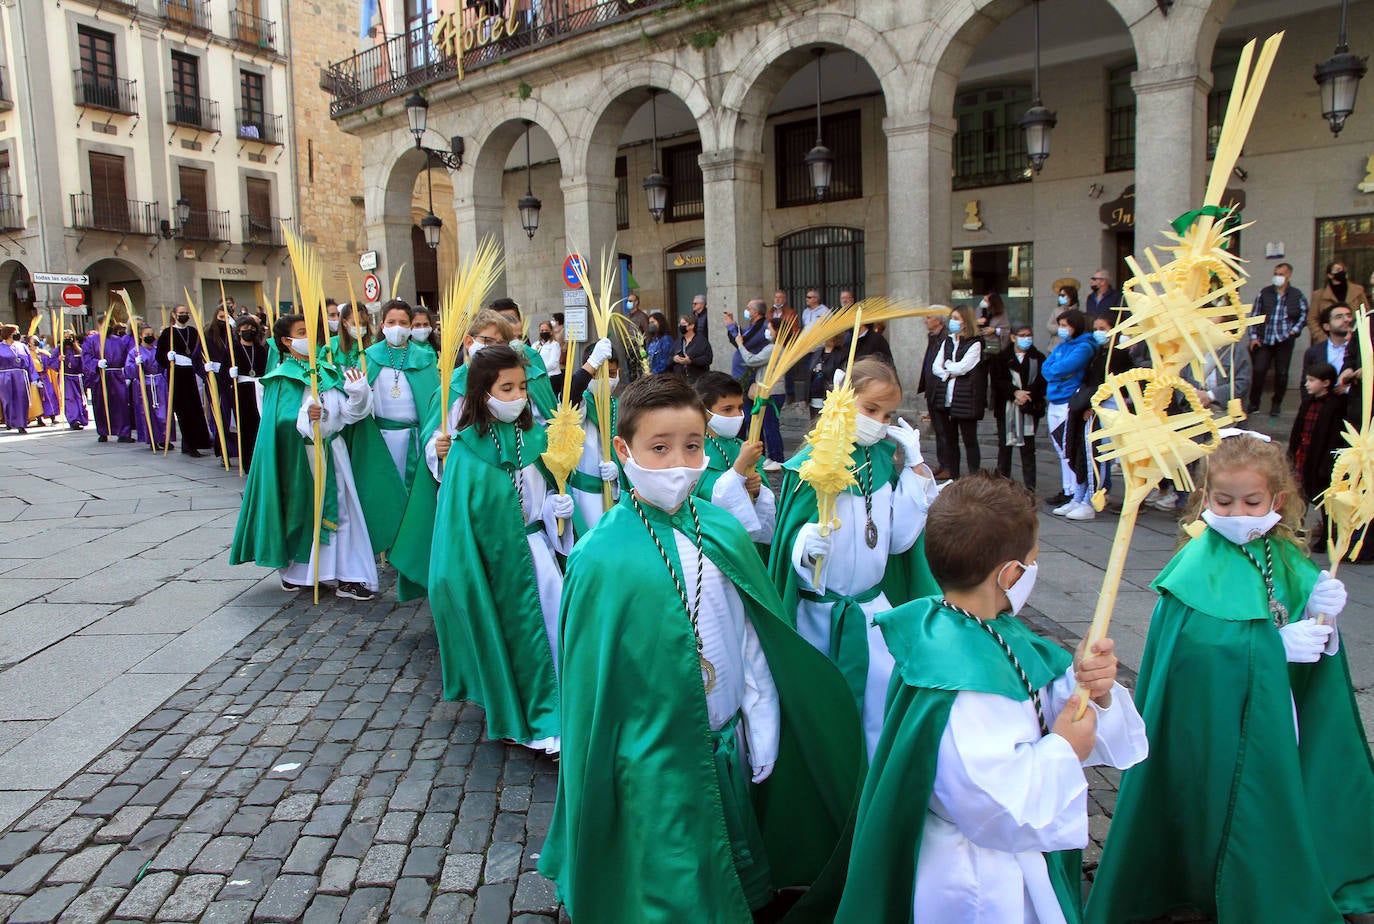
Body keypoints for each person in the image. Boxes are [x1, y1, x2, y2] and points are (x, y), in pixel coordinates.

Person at [540, 373, 865, 924]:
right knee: (667, 874)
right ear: (624, 450)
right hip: (648, 751)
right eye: (659, 448)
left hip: (725, 732)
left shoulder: (722, 531)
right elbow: (592, 683)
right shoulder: (600, 555)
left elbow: (751, 635)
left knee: (728, 850)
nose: (678, 464)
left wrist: (762, 719)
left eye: (692, 446)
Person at [1085, 433, 1374, 924]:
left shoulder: (1278, 553)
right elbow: (1194, 655)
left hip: (1278, 712)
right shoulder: (1195, 565)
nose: (1238, 512)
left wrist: (1321, 612)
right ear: (1204, 499)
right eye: (1223, 501)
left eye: (1252, 501)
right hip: (1218, 725)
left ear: (1277, 501)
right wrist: (1273, 646)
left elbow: (1296, 610)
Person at [836, 472, 1148, 923]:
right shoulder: (961, 680)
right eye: (1033, 561)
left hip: (1002, 858)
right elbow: (991, 802)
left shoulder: (983, 629)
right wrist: (1064, 749)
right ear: (1011, 574)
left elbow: (1048, 699)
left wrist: (1092, 689)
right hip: (976, 875)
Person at [770, 358, 941, 756]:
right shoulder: (809, 466)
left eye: (888, 414)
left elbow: (898, 542)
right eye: (870, 409)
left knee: (879, 715)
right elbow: (787, 544)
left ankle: (872, 792)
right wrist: (802, 548)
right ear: (844, 401)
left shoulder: (882, 460)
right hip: (818, 616)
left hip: (871, 615)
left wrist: (915, 468)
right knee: (824, 718)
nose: (880, 422)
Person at [427, 344, 574, 754]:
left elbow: (541, 497)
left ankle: (565, 710)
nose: (518, 397)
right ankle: (525, 719)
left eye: (522, 387)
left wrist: (559, 511)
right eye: (506, 388)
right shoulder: (466, 451)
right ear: (482, 392)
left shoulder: (535, 437)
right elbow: (455, 523)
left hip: (538, 557)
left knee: (556, 631)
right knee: (514, 641)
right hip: (493, 567)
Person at [229, 314, 382, 602]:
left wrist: (359, 395)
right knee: (305, 513)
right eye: (301, 332)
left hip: (334, 453)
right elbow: (273, 422)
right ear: (286, 341)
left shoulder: (327, 372)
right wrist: (302, 416)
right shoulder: (277, 379)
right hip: (302, 458)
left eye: (310, 332)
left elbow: (347, 416)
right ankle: (299, 573)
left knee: (343, 512)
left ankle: (348, 575)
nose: (309, 338)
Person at [692, 371, 775, 544]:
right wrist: (740, 467)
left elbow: (765, 492)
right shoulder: (695, 449)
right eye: (728, 409)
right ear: (704, 411)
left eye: (739, 407)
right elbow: (703, 497)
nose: (738, 415)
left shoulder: (741, 445)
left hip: (750, 544)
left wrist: (757, 489)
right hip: (716, 542)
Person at [1288, 362, 1346, 551]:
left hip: (1320, 458)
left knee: (1324, 500)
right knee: (1299, 494)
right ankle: (1297, 529)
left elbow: (1333, 437)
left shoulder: (1335, 406)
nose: (1307, 384)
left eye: (1312, 381)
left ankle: (1329, 535)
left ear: (1326, 383)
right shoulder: (1308, 402)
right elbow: (1298, 428)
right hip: (1303, 454)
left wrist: (1327, 463)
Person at [1042, 309, 1096, 513]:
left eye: (1065, 325)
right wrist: (1057, 373)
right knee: (1060, 447)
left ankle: (1076, 490)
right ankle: (1068, 489)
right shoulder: (1063, 346)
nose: (1062, 329)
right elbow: (1048, 368)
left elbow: (1061, 369)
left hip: (1069, 399)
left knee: (1069, 447)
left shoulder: (1084, 346)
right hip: (1055, 398)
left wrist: (1058, 372)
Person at [930, 304, 985, 477]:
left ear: (965, 322)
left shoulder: (975, 343)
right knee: (950, 441)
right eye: (951, 318)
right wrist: (949, 371)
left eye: (956, 319)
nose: (952, 322)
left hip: (965, 398)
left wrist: (948, 367)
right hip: (946, 397)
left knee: (969, 440)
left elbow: (964, 367)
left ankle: (974, 476)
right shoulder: (947, 341)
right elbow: (935, 367)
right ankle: (954, 476)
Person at [1247, 262, 1308, 420]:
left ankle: (1276, 404)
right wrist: (1253, 336)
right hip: (1265, 339)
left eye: (1281, 274)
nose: (1277, 277)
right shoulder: (1265, 293)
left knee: (1282, 373)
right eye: (1276, 273)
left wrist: (1294, 330)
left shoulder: (1296, 294)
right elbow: (1254, 315)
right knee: (1259, 370)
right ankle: (1254, 404)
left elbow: (1304, 314)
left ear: (1289, 275)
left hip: (1284, 340)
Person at [993, 324, 1046, 491]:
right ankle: (1002, 485)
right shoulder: (1001, 358)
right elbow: (998, 381)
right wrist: (1015, 393)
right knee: (1005, 449)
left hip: (1029, 408)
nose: (1026, 338)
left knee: (1028, 450)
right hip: (1007, 409)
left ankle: (1030, 487)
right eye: (1022, 335)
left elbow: (1041, 381)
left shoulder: (1038, 358)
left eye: (1029, 335)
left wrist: (1026, 395)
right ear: (1013, 337)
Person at [157, 305, 214, 457]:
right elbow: (159, 355)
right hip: (177, 375)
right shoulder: (168, 333)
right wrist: (167, 357)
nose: (184, 315)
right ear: (174, 315)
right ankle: (189, 444)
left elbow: (199, 350)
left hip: (192, 373)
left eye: (185, 313)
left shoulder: (193, 332)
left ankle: (196, 442)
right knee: (183, 410)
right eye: (181, 313)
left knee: (195, 408)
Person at [733, 309, 786, 470]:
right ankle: (771, 457)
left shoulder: (773, 349)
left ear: (776, 331)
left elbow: (751, 360)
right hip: (771, 390)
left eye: (769, 329)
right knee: (768, 424)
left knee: (770, 425)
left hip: (771, 391)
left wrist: (740, 345)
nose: (767, 332)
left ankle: (777, 458)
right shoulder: (774, 347)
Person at [85, 316, 135, 443]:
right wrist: (96, 363)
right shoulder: (91, 340)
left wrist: (128, 374)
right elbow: (86, 357)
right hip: (101, 375)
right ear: (99, 325)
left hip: (117, 374)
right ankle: (103, 431)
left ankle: (123, 432)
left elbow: (126, 356)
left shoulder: (119, 341)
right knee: (100, 404)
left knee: (121, 404)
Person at [229, 315, 269, 470]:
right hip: (242, 390)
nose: (249, 331)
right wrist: (229, 373)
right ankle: (246, 461)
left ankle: (259, 458)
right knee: (245, 426)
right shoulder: (234, 350)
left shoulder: (260, 349)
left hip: (258, 389)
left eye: (252, 329)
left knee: (259, 424)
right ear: (238, 331)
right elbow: (223, 374)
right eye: (245, 329)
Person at [125, 323, 171, 450]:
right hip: (144, 384)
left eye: (151, 335)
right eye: (147, 335)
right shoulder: (135, 352)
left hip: (159, 383)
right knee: (147, 412)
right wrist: (136, 364)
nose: (150, 337)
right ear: (140, 336)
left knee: (163, 411)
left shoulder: (157, 350)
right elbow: (129, 371)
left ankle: (164, 437)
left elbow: (164, 367)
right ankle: (151, 438)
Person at [918, 313, 952, 478]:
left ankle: (948, 465)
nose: (926, 320)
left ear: (938, 320)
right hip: (931, 389)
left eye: (929, 317)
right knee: (938, 430)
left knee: (944, 430)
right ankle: (942, 463)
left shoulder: (945, 338)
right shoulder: (932, 337)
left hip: (940, 389)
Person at [1308, 261, 1369, 343]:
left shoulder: (1358, 291)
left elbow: (1366, 313)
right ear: (1330, 275)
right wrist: (1321, 337)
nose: (1341, 272)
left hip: (1355, 338)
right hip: (1329, 340)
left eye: (1343, 270)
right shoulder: (1319, 295)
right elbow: (1312, 319)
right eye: (1337, 270)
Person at [1303, 302, 1358, 379]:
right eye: (1339, 317)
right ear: (1327, 326)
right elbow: (1306, 383)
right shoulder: (1313, 352)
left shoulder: (1362, 348)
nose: (1346, 320)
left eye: (1348, 316)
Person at [0, 324, 32, 433]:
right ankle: (9, 420)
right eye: (15, 332)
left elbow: (29, 362)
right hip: (5, 376)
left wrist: (34, 377)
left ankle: (21, 424)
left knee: (22, 399)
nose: (17, 334)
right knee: (8, 400)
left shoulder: (22, 346)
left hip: (20, 375)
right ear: (8, 334)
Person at [23, 336, 58, 427]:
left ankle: (52, 416)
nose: (36, 341)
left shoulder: (43, 353)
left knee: (49, 395)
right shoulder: (27, 354)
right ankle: (39, 418)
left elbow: (51, 362)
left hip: (44, 377)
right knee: (37, 398)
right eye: (34, 340)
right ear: (29, 343)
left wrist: (58, 359)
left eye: (37, 339)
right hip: (34, 378)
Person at [56, 329, 87, 430]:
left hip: (77, 378)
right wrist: (58, 360)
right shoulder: (59, 350)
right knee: (70, 399)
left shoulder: (78, 350)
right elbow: (51, 363)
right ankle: (73, 420)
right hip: (66, 377)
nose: (68, 339)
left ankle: (81, 418)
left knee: (80, 398)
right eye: (65, 337)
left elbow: (84, 364)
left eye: (70, 337)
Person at [672, 309, 712, 383]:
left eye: (683, 324)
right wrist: (674, 359)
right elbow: (669, 357)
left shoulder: (701, 341)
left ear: (692, 326)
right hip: (680, 379)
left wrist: (691, 361)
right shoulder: (678, 341)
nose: (680, 326)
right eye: (679, 324)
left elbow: (708, 358)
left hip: (697, 380)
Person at [330, 302, 374, 370]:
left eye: (364, 324)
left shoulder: (373, 344)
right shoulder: (332, 345)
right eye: (355, 324)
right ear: (345, 323)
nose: (360, 327)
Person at [535, 318, 563, 396]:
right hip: (539, 377)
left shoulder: (554, 345)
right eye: (542, 330)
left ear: (551, 331)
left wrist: (540, 370)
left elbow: (553, 363)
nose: (544, 332)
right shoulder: (535, 345)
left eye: (546, 330)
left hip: (552, 377)